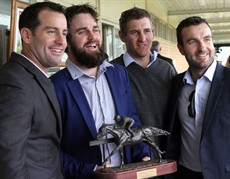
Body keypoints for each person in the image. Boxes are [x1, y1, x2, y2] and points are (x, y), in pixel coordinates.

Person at [50, 4, 150, 179]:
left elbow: (132, 120)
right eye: (82, 32)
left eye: (95, 29)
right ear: (67, 40)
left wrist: (142, 154)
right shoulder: (55, 87)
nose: (92, 37)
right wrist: (90, 170)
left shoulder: (119, 73)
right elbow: (49, 150)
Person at [0, 2, 67, 179]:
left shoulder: (35, 76)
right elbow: (8, 161)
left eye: (64, 33)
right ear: (27, 36)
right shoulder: (14, 81)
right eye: (52, 32)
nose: (62, 41)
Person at [165, 16, 230, 179]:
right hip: (184, 173)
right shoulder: (176, 84)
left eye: (207, 39)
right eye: (192, 42)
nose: (202, 48)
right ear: (181, 48)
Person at [112, 7, 177, 160]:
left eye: (147, 31)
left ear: (153, 33)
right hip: (130, 160)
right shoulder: (111, 72)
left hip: (167, 157)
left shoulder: (167, 70)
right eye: (134, 32)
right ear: (122, 36)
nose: (142, 38)